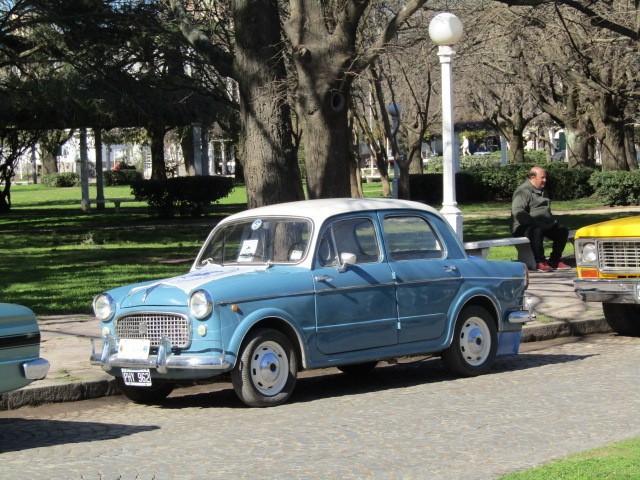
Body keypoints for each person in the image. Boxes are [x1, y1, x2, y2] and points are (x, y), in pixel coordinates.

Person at [510, 166, 570, 272]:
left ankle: (554, 260)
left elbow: (545, 210)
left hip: (544, 224)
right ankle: (540, 262)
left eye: (545, 177)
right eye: (542, 178)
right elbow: (518, 211)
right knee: (536, 230)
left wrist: (551, 222)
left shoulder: (542, 191)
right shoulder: (523, 191)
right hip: (523, 226)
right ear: (533, 177)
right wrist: (535, 223)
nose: (545, 180)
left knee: (562, 230)